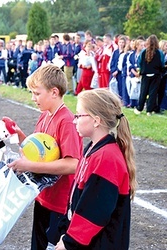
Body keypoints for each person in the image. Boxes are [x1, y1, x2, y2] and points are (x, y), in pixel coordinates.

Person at [8, 64, 82, 249]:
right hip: (43, 196)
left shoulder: (66, 121)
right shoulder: (45, 115)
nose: (33, 98)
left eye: (37, 93)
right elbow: (40, 153)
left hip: (60, 202)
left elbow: (73, 164)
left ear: (54, 92)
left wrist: (30, 166)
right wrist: (20, 137)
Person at [55, 88, 136, 249]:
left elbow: (95, 210)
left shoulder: (107, 158)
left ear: (96, 120)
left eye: (78, 115)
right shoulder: (93, 149)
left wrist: (69, 242)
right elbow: (78, 197)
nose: (74, 120)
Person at [134, 34, 164, 116]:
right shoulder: (159, 52)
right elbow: (162, 63)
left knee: (143, 92)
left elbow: (139, 62)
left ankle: (139, 108)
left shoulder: (143, 51)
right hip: (156, 75)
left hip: (145, 74)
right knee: (153, 93)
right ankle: (149, 110)